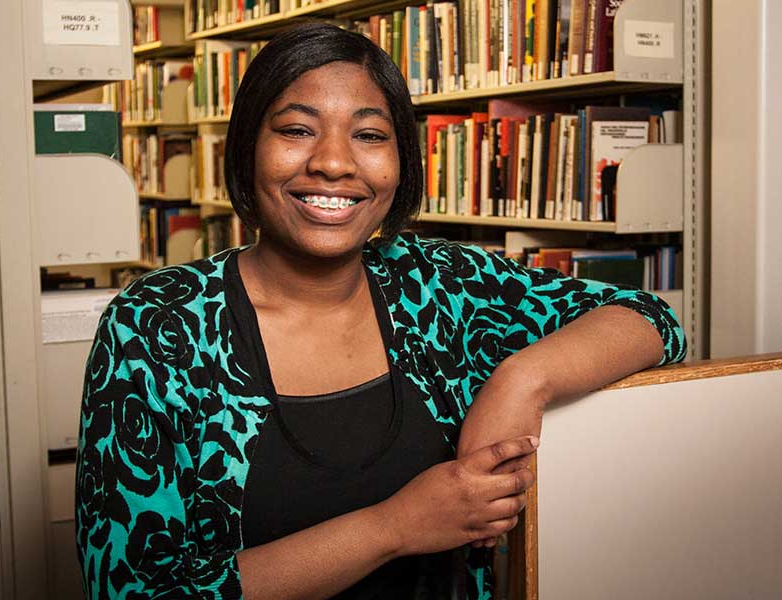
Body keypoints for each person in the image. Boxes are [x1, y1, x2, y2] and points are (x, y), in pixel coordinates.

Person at [75, 23, 686, 600]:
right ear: (246, 149)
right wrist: (393, 528)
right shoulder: (155, 326)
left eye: (369, 135)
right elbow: (132, 589)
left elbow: (648, 317)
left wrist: (522, 379)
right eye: (296, 130)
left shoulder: (440, 285)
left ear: (403, 161)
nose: (334, 163)